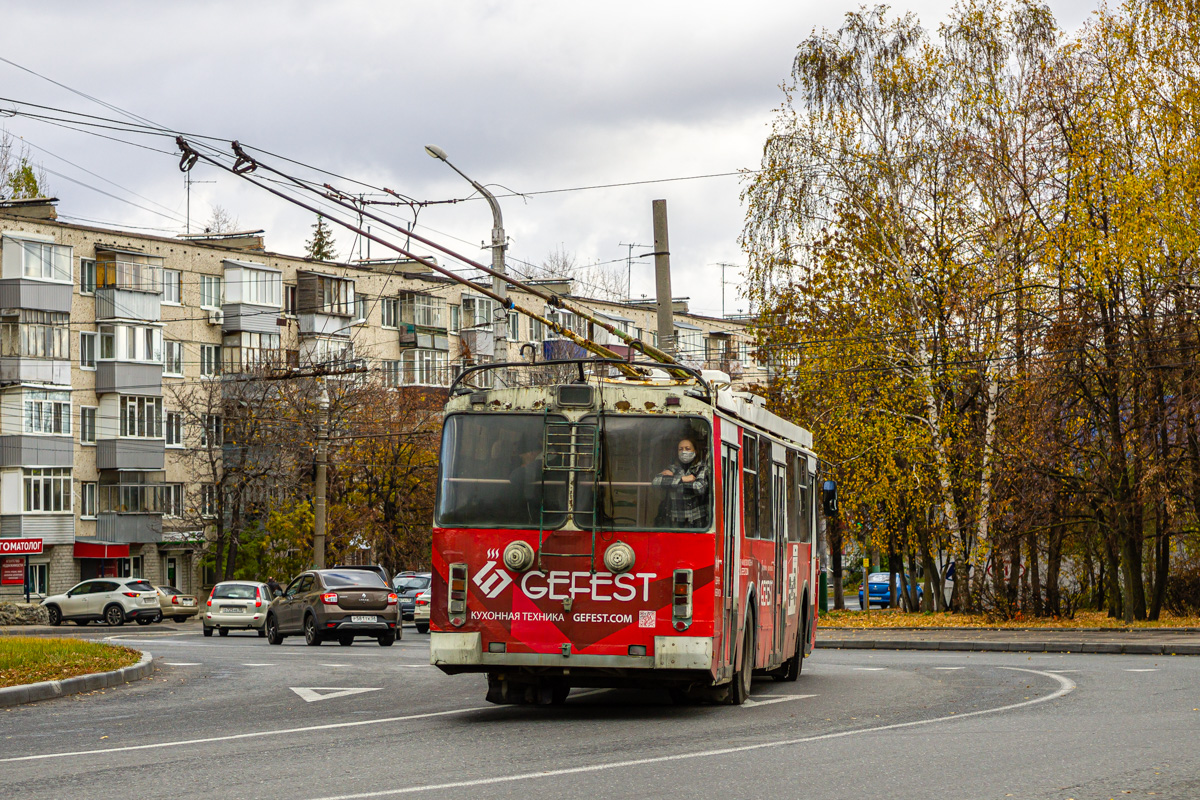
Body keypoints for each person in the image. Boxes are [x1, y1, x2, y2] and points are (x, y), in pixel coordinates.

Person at [652, 437, 710, 529]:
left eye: (687, 448)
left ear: (695, 451)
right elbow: (656, 482)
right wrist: (682, 479)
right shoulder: (673, 468)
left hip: (696, 522)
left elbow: (699, 488)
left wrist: (671, 484)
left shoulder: (702, 468)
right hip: (675, 521)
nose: (684, 452)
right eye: (680, 449)